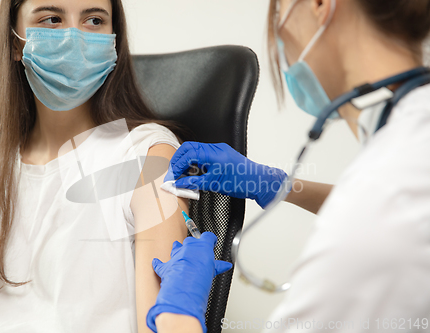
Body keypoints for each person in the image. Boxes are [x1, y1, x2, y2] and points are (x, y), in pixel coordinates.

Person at [145, 0, 430, 332]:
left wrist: (178, 307)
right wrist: (277, 185)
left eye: (278, 14)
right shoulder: (408, 149)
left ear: (319, 5)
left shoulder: (390, 187)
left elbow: (380, 209)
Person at [0, 1, 192, 332]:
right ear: (15, 42)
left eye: (94, 20)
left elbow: (165, 323)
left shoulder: (147, 155)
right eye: (52, 19)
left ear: (114, 40)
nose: (73, 37)